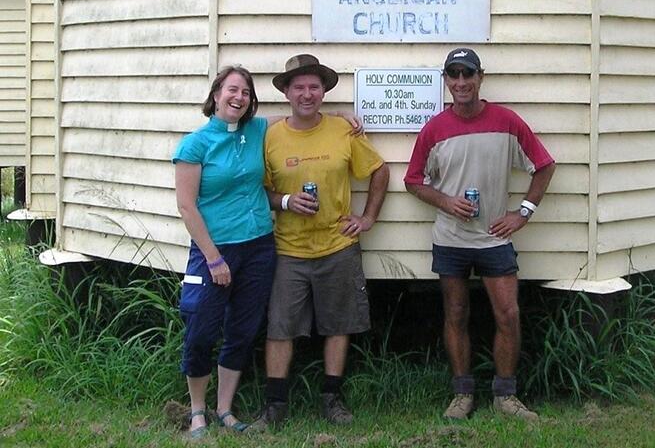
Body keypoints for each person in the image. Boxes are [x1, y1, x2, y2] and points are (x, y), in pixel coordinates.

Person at [173, 65, 361, 439]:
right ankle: (196, 410)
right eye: (231, 90)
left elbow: (297, 115)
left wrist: (339, 117)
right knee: (201, 331)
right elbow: (187, 206)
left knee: (242, 330)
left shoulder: (257, 130)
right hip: (215, 249)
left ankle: (224, 408)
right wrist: (213, 257)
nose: (238, 98)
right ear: (215, 96)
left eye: (244, 93)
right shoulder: (194, 144)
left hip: (259, 245)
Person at [404, 48, 556, 421]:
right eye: (453, 76)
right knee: (455, 313)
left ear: (480, 77)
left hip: (494, 239)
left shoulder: (506, 121)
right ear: (446, 81)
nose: (461, 83)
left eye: (467, 75)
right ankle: (462, 393)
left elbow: (544, 166)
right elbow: (412, 181)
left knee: (508, 314)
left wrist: (523, 213)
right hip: (451, 239)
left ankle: (505, 395)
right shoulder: (435, 128)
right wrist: (445, 201)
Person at [254, 54, 389, 429]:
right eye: (299, 87)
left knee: (338, 325)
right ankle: (275, 405)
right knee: (280, 326)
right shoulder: (269, 135)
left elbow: (379, 171)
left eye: (314, 86)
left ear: (324, 90)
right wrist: (285, 201)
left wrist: (367, 218)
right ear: (286, 92)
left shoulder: (343, 130)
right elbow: (258, 189)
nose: (307, 93)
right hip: (287, 248)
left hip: (337, 244)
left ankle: (332, 399)